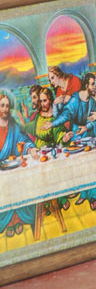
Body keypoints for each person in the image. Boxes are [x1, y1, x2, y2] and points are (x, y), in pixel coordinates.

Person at [0, 92, 39, 237]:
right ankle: (8, 223)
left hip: (13, 168)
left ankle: (19, 220)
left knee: (22, 184)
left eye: (7, 106)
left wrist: (31, 148)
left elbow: (24, 140)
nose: (4, 109)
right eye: (2, 105)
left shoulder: (13, 125)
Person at [42, 72, 96, 139]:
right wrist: (53, 124)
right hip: (76, 134)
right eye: (93, 84)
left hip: (89, 134)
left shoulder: (92, 102)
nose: (95, 87)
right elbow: (66, 115)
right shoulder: (75, 99)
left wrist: (86, 127)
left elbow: (94, 119)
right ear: (86, 85)